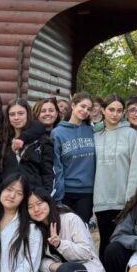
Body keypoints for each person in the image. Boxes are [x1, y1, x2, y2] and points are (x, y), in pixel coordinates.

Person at [28, 188, 109, 272]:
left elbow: (86, 252)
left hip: (83, 270)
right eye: (30, 207)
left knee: (67, 270)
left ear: (49, 202)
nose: (36, 209)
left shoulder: (70, 219)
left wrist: (60, 244)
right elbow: (35, 260)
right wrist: (53, 266)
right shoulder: (33, 229)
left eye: (40, 203)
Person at [93, 94, 137, 263]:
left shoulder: (131, 135)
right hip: (101, 199)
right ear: (103, 110)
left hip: (124, 200)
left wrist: (130, 200)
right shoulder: (95, 136)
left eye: (119, 111)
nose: (115, 114)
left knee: (121, 243)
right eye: (111, 110)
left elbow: (136, 168)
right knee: (105, 241)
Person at [51, 91, 97, 219]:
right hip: (67, 192)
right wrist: (58, 197)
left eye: (88, 109)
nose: (85, 111)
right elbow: (57, 167)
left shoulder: (91, 131)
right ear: (73, 105)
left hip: (87, 192)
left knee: (82, 231)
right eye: (82, 106)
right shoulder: (57, 133)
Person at [2, 98, 54, 192]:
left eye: (21, 113)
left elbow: (48, 174)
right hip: (9, 196)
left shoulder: (42, 142)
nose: (16, 117)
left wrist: (45, 196)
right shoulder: (3, 141)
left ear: (27, 114)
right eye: (12, 114)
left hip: (33, 196)